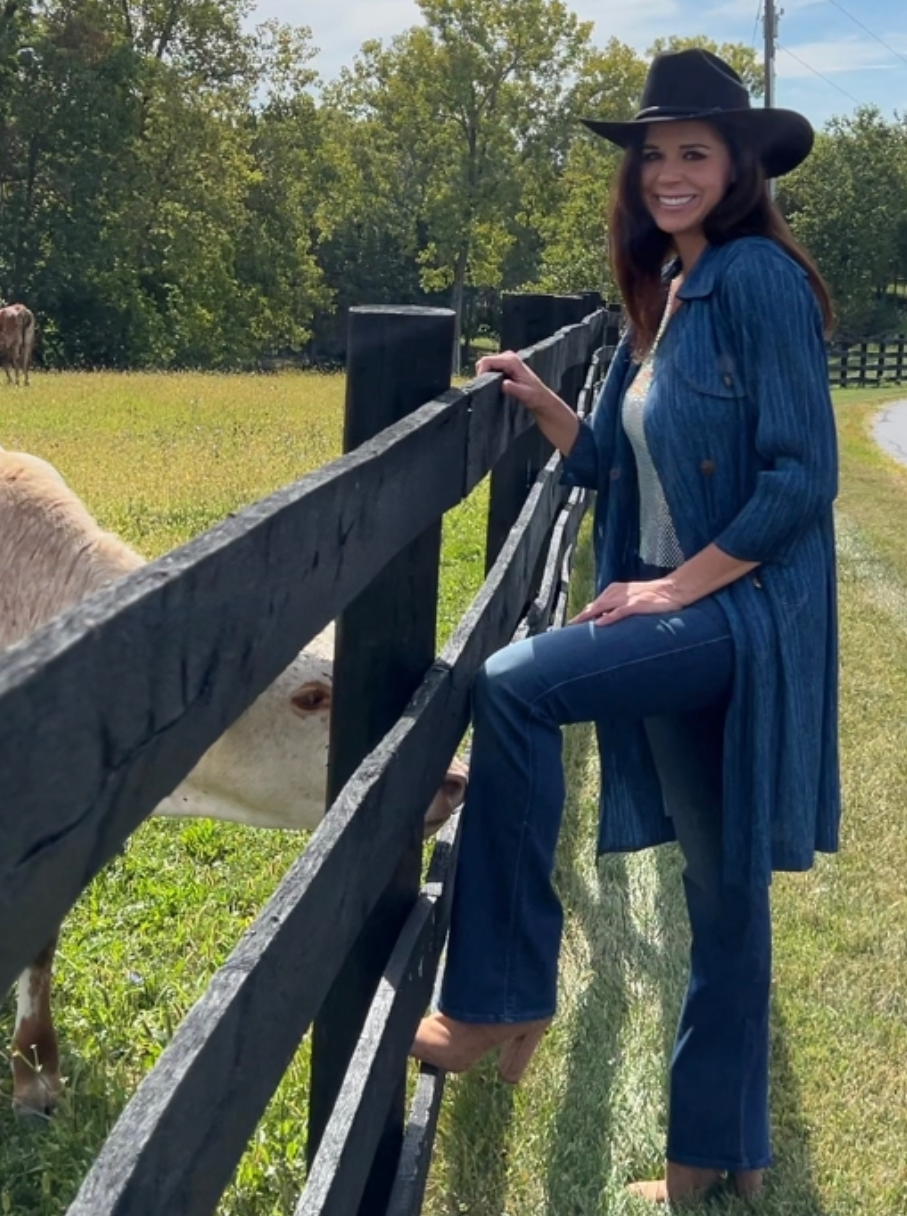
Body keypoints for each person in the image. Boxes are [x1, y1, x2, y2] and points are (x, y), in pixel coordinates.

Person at [411, 47, 840, 1205]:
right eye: (653, 156)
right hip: (681, 607)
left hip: (732, 616)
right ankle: (715, 1159)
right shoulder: (662, 297)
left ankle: (502, 987)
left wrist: (671, 589)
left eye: (693, 153)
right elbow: (611, 461)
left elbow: (803, 479)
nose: (667, 174)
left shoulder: (754, 279)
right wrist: (541, 397)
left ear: (742, 167)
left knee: (514, 682)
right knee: (721, 896)